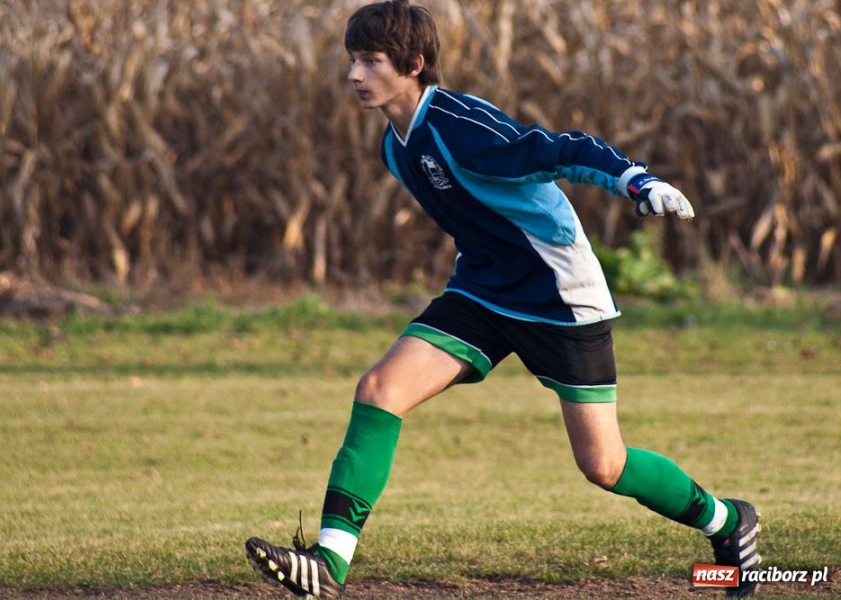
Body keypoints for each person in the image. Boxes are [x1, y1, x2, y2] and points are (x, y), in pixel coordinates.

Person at [246, 1, 761, 597]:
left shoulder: (460, 126)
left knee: (605, 466)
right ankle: (329, 565)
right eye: (352, 61)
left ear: (413, 64)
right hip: (485, 292)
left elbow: (559, 149)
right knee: (380, 390)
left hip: (560, 297)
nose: (354, 76)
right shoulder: (397, 143)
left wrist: (636, 180)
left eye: (370, 61)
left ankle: (728, 520)